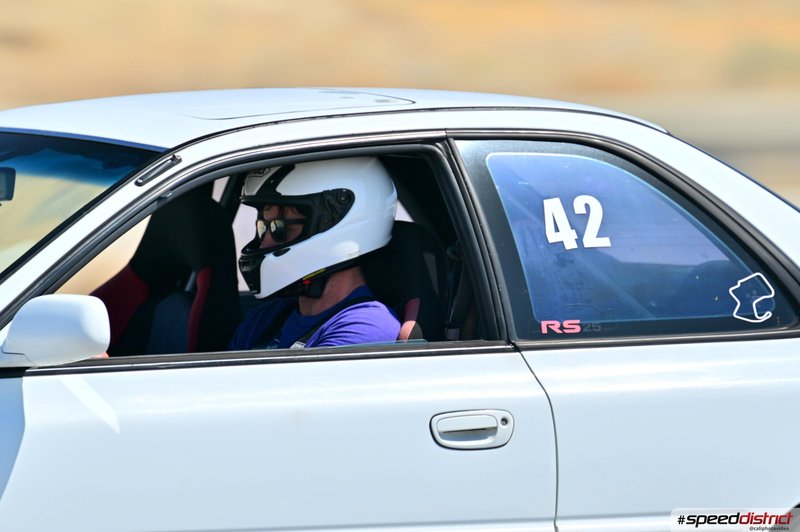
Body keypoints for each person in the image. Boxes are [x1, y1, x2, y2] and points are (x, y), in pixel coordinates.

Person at [229, 157, 401, 350]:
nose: (265, 243)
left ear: (336, 228)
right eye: (263, 228)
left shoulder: (365, 329)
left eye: (280, 229)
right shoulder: (265, 318)